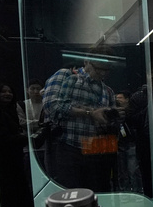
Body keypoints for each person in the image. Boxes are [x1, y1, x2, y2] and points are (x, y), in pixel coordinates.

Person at [41, 50, 120, 192]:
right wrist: (90, 113)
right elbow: (51, 107)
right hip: (68, 148)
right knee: (72, 196)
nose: (102, 73)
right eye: (98, 68)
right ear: (86, 62)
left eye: (107, 70)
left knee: (96, 196)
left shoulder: (107, 91)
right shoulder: (66, 76)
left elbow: (111, 122)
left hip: (96, 151)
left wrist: (112, 118)